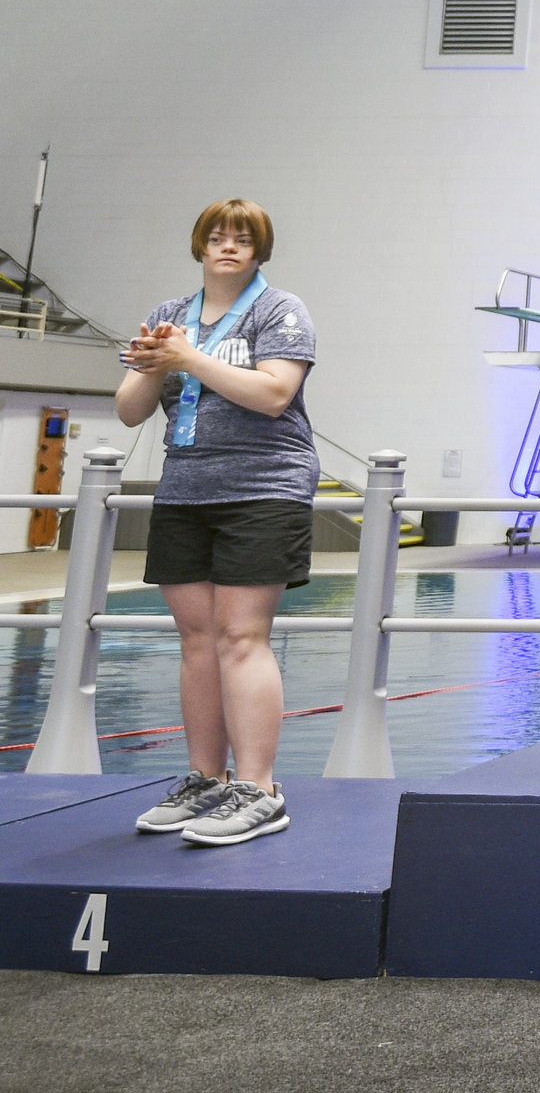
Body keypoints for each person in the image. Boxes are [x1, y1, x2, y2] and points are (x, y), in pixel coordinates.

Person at [115, 199, 317, 846]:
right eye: (217, 237)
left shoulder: (280, 311)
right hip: (185, 492)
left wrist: (187, 360)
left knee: (240, 637)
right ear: (199, 245)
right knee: (197, 640)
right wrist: (152, 363)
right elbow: (128, 410)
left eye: (242, 239)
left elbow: (273, 393)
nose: (228, 247)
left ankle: (258, 789)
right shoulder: (171, 317)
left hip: (262, 490)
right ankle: (206, 778)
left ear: (259, 251)